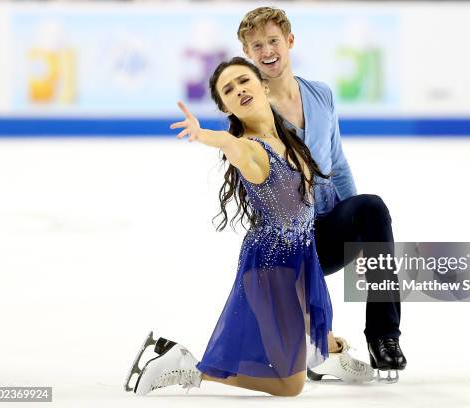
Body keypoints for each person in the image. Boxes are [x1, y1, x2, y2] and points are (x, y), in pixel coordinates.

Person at [125, 57, 336, 397]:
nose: (239, 90)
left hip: (300, 256)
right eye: (229, 90)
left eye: (243, 81)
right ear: (227, 107)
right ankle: (185, 366)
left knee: (308, 347)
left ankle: (331, 349)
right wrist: (204, 135)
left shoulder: (291, 141)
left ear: (263, 86)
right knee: (290, 386)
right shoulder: (251, 148)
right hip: (271, 267)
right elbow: (230, 145)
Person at [237, 7, 406, 381]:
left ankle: (384, 338)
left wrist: (361, 232)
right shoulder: (249, 112)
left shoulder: (321, 95)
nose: (267, 50)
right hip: (287, 245)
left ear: (290, 41)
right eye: (257, 45)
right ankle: (312, 338)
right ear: (248, 53)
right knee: (294, 353)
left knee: (372, 209)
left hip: (327, 230)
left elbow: (339, 165)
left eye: (273, 41)